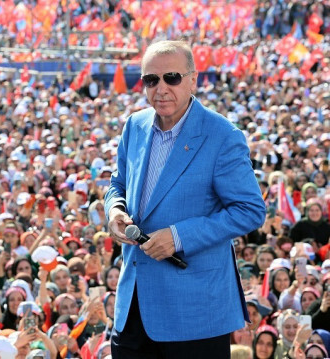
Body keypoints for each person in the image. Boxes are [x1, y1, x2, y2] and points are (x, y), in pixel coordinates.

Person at [105, 40, 266, 358]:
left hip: (194, 314)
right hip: (134, 308)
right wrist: (115, 211)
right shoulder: (135, 125)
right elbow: (117, 184)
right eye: (151, 79)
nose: (160, 88)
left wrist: (178, 237)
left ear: (193, 80)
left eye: (172, 78)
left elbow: (250, 211)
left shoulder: (222, 136)